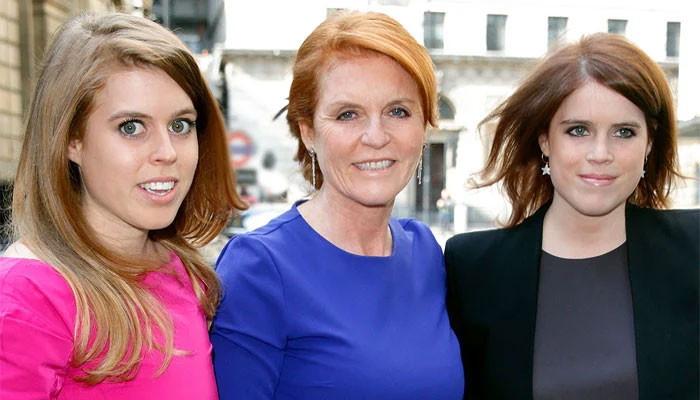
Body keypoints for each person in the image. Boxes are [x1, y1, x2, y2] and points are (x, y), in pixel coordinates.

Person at [210, 11, 464, 399]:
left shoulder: (424, 250)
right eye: (348, 114)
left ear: (425, 125)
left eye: (398, 111)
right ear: (308, 131)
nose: (376, 136)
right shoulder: (260, 269)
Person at [0, 12, 245, 398]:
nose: (167, 152)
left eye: (180, 125)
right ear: (72, 140)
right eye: (131, 127)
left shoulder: (185, 273)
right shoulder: (26, 296)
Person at [445, 33, 698, 399]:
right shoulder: (473, 267)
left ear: (649, 143)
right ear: (545, 140)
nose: (600, 153)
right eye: (578, 130)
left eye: (624, 132)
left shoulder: (693, 248)